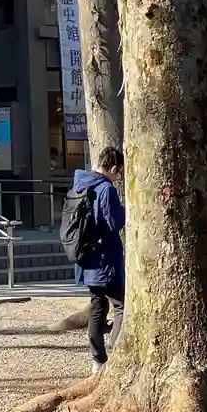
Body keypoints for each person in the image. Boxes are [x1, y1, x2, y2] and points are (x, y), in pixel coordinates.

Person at [72, 145, 125, 373]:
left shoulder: (80, 185)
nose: (119, 176)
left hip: (87, 258)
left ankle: (98, 361)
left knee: (97, 307)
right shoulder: (106, 189)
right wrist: (124, 211)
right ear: (113, 168)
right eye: (119, 171)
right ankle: (118, 352)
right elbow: (115, 222)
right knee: (121, 306)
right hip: (107, 259)